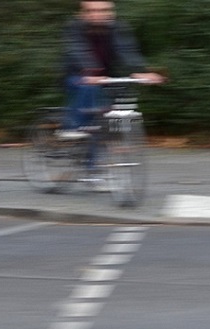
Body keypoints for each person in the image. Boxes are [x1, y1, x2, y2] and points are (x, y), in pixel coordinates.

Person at [62, 0, 164, 189]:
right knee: (88, 92)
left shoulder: (117, 28)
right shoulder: (73, 27)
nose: (98, 14)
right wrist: (91, 71)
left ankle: (92, 169)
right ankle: (73, 126)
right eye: (92, 11)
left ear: (111, 12)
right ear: (83, 13)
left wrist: (139, 71)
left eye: (103, 10)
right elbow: (77, 50)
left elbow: (127, 51)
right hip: (78, 75)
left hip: (104, 76)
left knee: (102, 120)